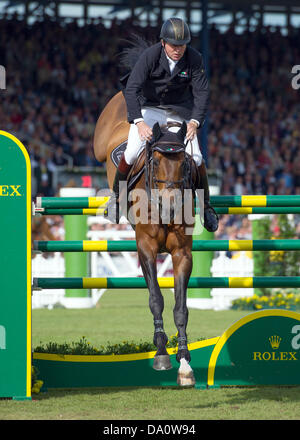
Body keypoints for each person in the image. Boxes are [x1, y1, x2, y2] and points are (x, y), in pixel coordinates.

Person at [107, 17, 218, 231]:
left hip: (179, 112)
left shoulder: (194, 58)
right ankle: (115, 198)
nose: (178, 49)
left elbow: (202, 92)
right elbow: (132, 89)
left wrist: (195, 121)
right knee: (131, 152)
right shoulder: (150, 56)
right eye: (174, 45)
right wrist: (139, 122)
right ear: (163, 42)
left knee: (196, 157)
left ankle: (206, 207)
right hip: (150, 109)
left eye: (182, 45)